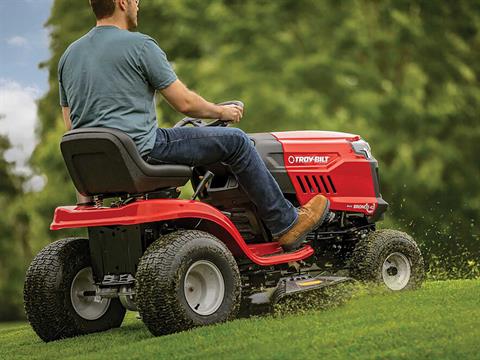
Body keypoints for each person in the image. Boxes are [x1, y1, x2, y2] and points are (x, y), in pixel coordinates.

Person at [58, 0, 330, 251]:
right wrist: (222, 111)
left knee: (195, 139)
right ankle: (286, 222)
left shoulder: (68, 57)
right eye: (136, 0)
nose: (138, 5)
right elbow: (185, 103)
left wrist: (86, 189)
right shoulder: (140, 46)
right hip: (142, 150)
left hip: (95, 169)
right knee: (235, 141)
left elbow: (74, 127)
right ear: (122, 2)